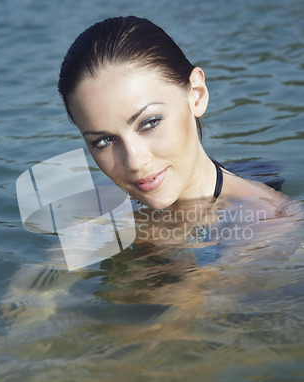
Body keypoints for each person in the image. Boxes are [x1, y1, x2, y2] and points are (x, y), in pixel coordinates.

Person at [58, 16, 288, 246]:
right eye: (104, 141)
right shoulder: (99, 208)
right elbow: (41, 279)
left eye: (149, 122)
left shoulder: (269, 221)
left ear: (196, 94)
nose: (135, 162)